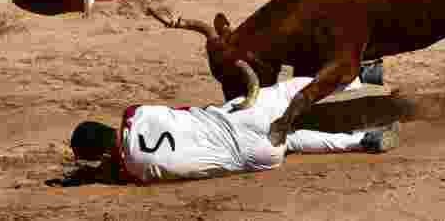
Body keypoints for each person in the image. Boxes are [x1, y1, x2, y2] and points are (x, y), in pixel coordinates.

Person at [66, 75, 400, 184]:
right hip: (236, 119)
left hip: (253, 156)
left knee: (291, 142)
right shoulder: (134, 114)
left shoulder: (133, 171)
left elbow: (119, 169)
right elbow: (182, 111)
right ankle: (360, 78)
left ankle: (362, 141)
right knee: (285, 92)